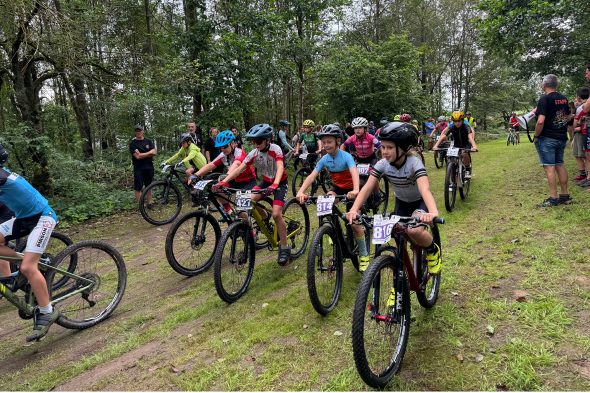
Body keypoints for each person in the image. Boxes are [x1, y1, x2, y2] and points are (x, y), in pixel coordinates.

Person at [345, 122, 441, 277]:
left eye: (389, 148)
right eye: (383, 147)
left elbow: (425, 190)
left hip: (419, 202)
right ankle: (400, 282)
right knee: (397, 233)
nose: (384, 152)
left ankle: (432, 249)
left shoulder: (414, 163)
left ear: (403, 148)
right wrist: (354, 210)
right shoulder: (383, 164)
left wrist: (433, 212)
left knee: (414, 230)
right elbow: (367, 188)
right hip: (401, 203)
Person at [0, 143, 60, 341]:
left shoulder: (1, 177)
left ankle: (47, 311)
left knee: (28, 267)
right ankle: (25, 264)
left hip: (43, 217)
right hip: (24, 218)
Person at [214, 124, 291, 265]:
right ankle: (254, 234)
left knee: (276, 214)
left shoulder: (276, 149)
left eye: (259, 141)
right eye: (253, 142)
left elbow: (280, 167)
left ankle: (284, 247)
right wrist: (224, 181)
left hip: (280, 183)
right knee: (245, 204)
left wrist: (275, 184)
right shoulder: (254, 153)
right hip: (266, 182)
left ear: (268, 140)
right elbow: (239, 168)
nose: (256, 144)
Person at [295, 124, 369, 270]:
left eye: (329, 142)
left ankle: (364, 254)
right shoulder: (324, 159)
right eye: (324, 142)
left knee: (354, 223)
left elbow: (354, 173)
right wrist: (301, 191)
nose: (326, 145)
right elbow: (312, 176)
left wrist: (355, 189)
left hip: (352, 189)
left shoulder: (346, 156)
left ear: (337, 142)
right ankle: (333, 231)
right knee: (327, 199)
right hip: (338, 188)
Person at [195, 130, 256, 216]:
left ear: (233, 144)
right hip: (234, 180)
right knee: (216, 188)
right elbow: (211, 165)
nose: (223, 149)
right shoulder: (223, 155)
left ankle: (254, 226)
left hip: (247, 182)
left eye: (225, 146)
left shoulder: (239, 152)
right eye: (221, 147)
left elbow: (236, 164)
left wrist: (226, 176)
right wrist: (195, 175)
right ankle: (229, 211)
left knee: (242, 212)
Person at [532, 74, 572, 207]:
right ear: (556, 85)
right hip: (561, 136)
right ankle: (565, 195)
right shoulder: (564, 99)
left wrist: (537, 136)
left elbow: (540, 121)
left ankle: (553, 198)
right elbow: (567, 117)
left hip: (547, 137)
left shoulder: (544, 99)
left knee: (549, 168)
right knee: (560, 164)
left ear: (544, 85)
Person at [432, 111, 478, 178]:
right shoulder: (452, 127)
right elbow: (443, 135)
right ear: (453, 121)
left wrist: (474, 146)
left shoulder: (466, 126)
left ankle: (467, 168)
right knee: (452, 157)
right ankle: (453, 176)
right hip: (456, 144)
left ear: (462, 120)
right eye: (455, 121)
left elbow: (470, 137)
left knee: (464, 153)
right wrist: (436, 145)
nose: (457, 123)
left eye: (459, 121)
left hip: (465, 144)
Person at [129, 124, 157, 203]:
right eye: (136, 131)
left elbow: (154, 152)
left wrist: (142, 154)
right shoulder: (133, 144)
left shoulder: (148, 141)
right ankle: (140, 206)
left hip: (149, 167)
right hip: (138, 168)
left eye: (140, 130)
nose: (138, 132)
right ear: (135, 132)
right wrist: (149, 153)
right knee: (138, 187)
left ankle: (150, 203)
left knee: (149, 186)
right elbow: (137, 157)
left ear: (143, 131)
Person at [574, 88, 590, 186]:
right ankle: (588, 178)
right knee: (588, 156)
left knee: (588, 156)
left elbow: (577, 122)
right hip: (585, 132)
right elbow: (578, 120)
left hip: (586, 132)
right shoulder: (582, 108)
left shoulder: (583, 107)